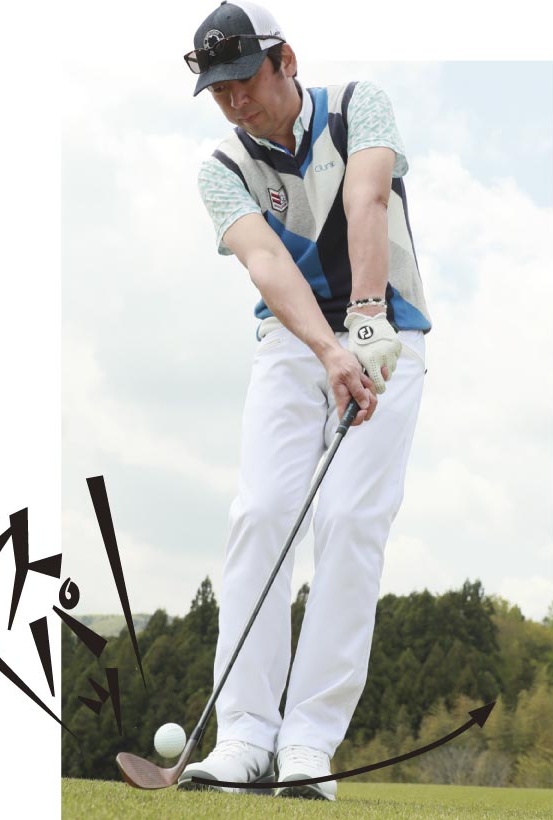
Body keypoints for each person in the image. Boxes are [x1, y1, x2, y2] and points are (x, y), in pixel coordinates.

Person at [178, 0, 431, 801]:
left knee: (350, 520)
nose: (235, 102)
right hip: (294, 344)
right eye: (219, 91)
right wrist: (329, 349)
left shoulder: (359, 106)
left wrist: (365, 320)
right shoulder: (221, 167)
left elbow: (368, 200)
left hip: (388, 330)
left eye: (244, 81)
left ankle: (309, 745)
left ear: (286, 61)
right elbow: (266, 263)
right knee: (262, 513)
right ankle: (244, 737)